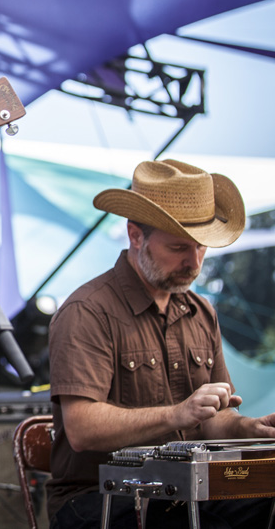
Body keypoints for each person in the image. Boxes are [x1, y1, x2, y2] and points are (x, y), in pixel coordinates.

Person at [46, 159, 275, 529]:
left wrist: (248, 429)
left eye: (201, 247)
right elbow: (82, 429)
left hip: (185, 491)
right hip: (98, 498)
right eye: (178, 247)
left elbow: (214, 418)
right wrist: (176, 413)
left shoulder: (202, 312)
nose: (194, 262)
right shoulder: (87, 311)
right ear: (135, 235)